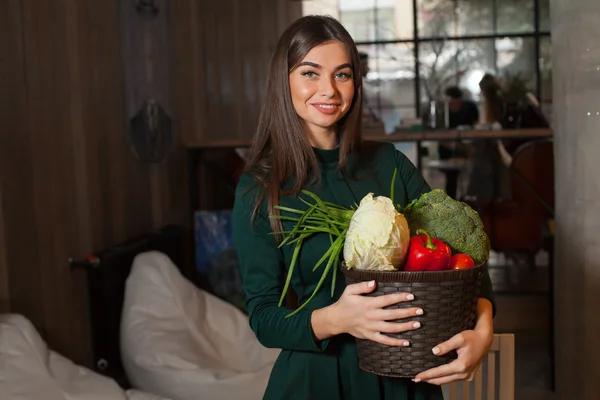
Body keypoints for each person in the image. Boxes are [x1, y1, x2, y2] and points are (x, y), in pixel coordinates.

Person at [232, 15, 495, 400]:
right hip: (316, 382)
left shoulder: (390, 164)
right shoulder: (260, 188)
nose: (329, 90)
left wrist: (484, 330)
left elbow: (466, 259)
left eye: (342, 74)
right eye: (310, 73)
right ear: (282, 80)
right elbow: (264, 317)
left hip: (406, 379)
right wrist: (336, 318)